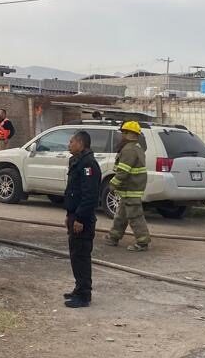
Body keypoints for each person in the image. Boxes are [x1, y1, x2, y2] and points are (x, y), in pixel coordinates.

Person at [62, 130, 101, 308]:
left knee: (82, 256)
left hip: (82, 219)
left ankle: (84, 295)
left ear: (81, 143)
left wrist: (80, 219)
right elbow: (72, 191)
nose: (69, 145)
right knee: (75, 255)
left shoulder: (88, 164)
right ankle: (78, 288)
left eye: (72, 142)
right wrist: (69, 215)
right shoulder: (76, 161)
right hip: (74, 216)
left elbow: (89, 196)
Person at [105, 121, 150, 251]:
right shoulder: (136, 147)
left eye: (124, 133)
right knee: (121, 215)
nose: (122, 135)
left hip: (131, 188)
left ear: (130, 134)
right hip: (129, 188)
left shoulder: (129, 149)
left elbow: (123, 171)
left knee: (135, 216)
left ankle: (142, 243)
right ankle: (114, 237)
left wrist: (112, 184)